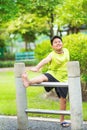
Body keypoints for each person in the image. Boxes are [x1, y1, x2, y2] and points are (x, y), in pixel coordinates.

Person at [22, 35, 70, 127]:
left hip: (64, 78)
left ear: (62, 43)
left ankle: (62, 120)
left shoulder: (66, 51)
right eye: (55, 42)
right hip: (53, 74)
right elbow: (45, 60)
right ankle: (28, 81)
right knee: (43, 77)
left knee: (63, 100)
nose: (58, 43)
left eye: (59, 41)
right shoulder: (52, 54)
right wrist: (37, 67)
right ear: (52, 46)